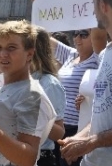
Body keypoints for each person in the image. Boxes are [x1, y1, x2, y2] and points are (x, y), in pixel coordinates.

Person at [58, 0, 112, 166]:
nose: (93, 14)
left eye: (93, 6)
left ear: (103, 6)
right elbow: (104, 115)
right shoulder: (106, 53)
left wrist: (90, 142)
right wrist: (80, 138)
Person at [0, 20, 56, 166]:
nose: (3, 54)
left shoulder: (31, 95)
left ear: (29, 54)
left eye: (11, 48)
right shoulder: (3, 89)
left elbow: (28, 158)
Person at [50, 29, 102, 166]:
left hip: (79, 128)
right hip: (59, 125)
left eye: (84, 34)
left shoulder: (98, 59)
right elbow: (45, 37)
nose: (78, 38)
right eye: (75, 34)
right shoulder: (70, 55)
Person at [32, 27, 66, 166]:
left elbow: (59, 133)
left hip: (40, 157)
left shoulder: (49, 84)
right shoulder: (13, 80)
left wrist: (36, 112)